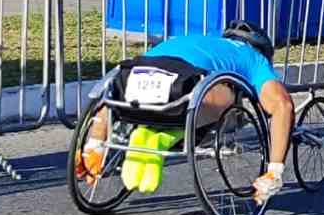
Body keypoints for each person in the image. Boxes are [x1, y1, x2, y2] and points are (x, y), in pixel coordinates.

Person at [75, 21, 296, 203]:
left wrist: (95, 141)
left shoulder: (197, 41)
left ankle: (93, 150)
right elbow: (282, 106)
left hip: (132, 79)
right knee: (229, 98)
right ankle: (160, 137)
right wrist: (275, 171)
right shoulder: (253, 57)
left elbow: (110, 88)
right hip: (182, 87)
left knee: (120, 89)